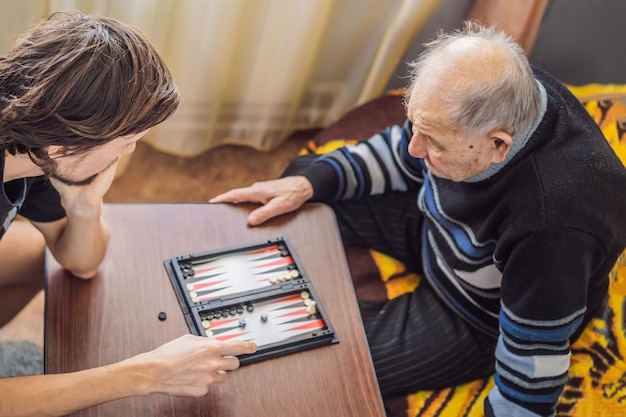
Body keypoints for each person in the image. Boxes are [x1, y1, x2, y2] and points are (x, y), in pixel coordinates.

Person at [211, 21, 626, 417]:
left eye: (433, 141)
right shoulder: (502, 91)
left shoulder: (554, 226)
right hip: (436, 227)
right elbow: (401, 151)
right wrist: (312, 183)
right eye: (416, 125)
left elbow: (534, 354)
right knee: (303, 183)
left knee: (316, 357)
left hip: (480, 313)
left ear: (499, 144)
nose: (413, 148)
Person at [0, 11, 255, 417]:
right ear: (62, 149)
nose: (130, 151)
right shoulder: (48, 145)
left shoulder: (34, 138)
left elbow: (80, 263)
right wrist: (147, 373)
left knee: (35, 252)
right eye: (128, 140)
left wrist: (85, 203)